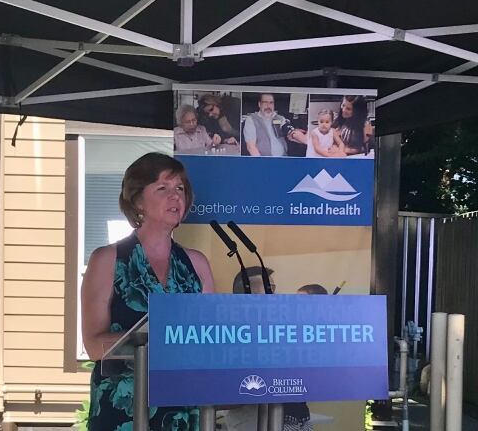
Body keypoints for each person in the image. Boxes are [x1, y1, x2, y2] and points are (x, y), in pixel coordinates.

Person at [81, 152, 215, 431]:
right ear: (137, 200)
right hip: (124, 408)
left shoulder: (197, 263)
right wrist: (161, 341)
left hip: (181, 407)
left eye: (180, 188)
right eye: (163, 188)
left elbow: (210, 338)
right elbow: (94, 345)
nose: (175, 196)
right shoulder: (107, 259)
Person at [225, 267, 313, 431]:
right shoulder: (232, 333)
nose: (275, 294)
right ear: (247, 293)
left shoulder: (281, 329)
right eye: (269, 288)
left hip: (294, 416)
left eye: (274, 288)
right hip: (252, 419)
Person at [242, 93, 307, 156]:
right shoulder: (252, 120)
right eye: (265, 102)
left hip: (283, 158)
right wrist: (261, 163)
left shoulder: (279, 118)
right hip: (265, 160)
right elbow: (251, 147)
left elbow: (289, 132)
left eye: (271, 103)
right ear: (259, 104)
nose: (268, 106)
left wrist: (298, 136)